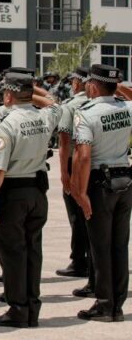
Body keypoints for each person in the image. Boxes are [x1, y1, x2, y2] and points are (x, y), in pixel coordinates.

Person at [0, 73, 61, 329]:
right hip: (37, 191)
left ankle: (18, 309)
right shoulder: (45, 116)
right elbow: (54, 103)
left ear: (8, 95)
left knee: (13, 253)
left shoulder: (6, 124)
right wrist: (31, 91)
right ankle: (32, 307)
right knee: (33, 251)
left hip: (12, 192)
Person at [71, 64, 132, 323]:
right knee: (119, 245)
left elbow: (83, 156)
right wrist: (118, 88)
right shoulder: (126, 108)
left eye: (88, 83)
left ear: (94, 87)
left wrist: (81, 191)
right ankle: (117, 304)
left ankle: (105, 305)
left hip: (99, 183)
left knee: (100, 246)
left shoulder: (87, 113)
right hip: (124, 180)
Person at [56, 68, 93, 297]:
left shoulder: (69, 106)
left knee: (76, 215)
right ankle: (88, 259)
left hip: (74, 162)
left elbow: (63, 142)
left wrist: (64, 173)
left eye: (73, 81)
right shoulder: (99, 103)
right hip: (95, 163)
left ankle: (79, 260)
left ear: (78, 83)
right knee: (90, 214)